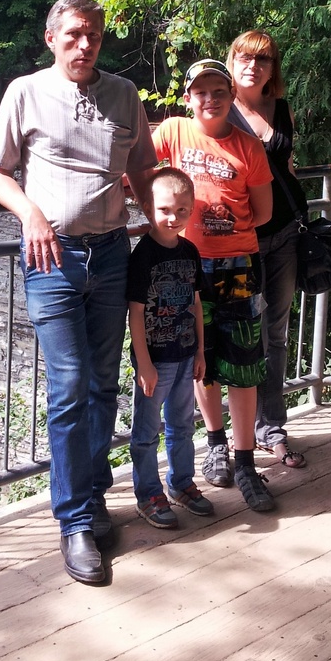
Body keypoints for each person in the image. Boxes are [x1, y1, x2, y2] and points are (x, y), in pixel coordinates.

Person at [0, 0, 157, 584]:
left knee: (106, 384)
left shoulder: (125, 95)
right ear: (52, 38)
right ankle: (75, 523)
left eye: (96, 36)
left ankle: (93, 493)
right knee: (70, 386)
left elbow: (141, 171)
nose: (87, 45)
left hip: (111, 254)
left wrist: (162, 218)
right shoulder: (24, 93)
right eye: (76, 35)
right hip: (51, 256)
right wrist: (30, 214)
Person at [151, 59, 277, 513]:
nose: (210, 98)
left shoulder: (248, 147)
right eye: (200, 91)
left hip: (239, 265)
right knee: (198, 358)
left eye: (218, 90)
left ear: (230, 95)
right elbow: (138, 175)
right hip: (184, 265)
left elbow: (262, 213)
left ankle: (245, 462)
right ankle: (216, 444)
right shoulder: (172, 132)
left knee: (243, 362)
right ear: (188, 98)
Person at [227, 29, 309, 468]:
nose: (253, 66)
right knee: (238, 331)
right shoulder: (221, 108)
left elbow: (288, 165)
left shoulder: (282, 110)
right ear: (233, 60)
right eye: (245, 57)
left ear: (272, 69)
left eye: (263, 60)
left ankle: (270, 428)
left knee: (274, 333)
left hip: (284, 237)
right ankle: (227, 437)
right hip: (240, 241)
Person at [127, 168, 213, 529]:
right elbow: (135, 313)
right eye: (164, 210)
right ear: (148, 209)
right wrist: (143, 362)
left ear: (191, 209)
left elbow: (195, 304)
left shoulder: (191, 251)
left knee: (181, 424)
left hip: (185, 355)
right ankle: (148, 492)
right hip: (156, 361)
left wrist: (201, 351)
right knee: (146, 433)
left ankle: (181, 484)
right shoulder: (143, 256)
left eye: (181, 210)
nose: (172, 218)